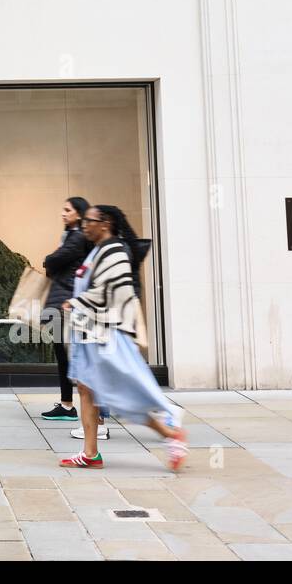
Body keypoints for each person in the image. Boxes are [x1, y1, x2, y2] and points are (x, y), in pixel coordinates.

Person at [60, 204, 187, 471]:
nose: (84, 225)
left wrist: (77, 301)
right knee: (86, 389)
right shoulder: (97, 251)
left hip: (105, 335)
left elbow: (113, 292)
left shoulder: (115, 251)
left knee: (121, 395)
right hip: (89, 333)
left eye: (89, 221)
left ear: (105, 223)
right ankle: (90, 453)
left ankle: (171, 433)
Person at [38, 196, 89, 423]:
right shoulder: (72, 236)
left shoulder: (77, 237)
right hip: (63, 301)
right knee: (63, 353)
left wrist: (49, 259)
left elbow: (53, 260)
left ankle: (75, 405)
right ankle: (67, 404)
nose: (63, 213)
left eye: (67, 210)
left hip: (66, 302)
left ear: (78, 214)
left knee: (68, 354)